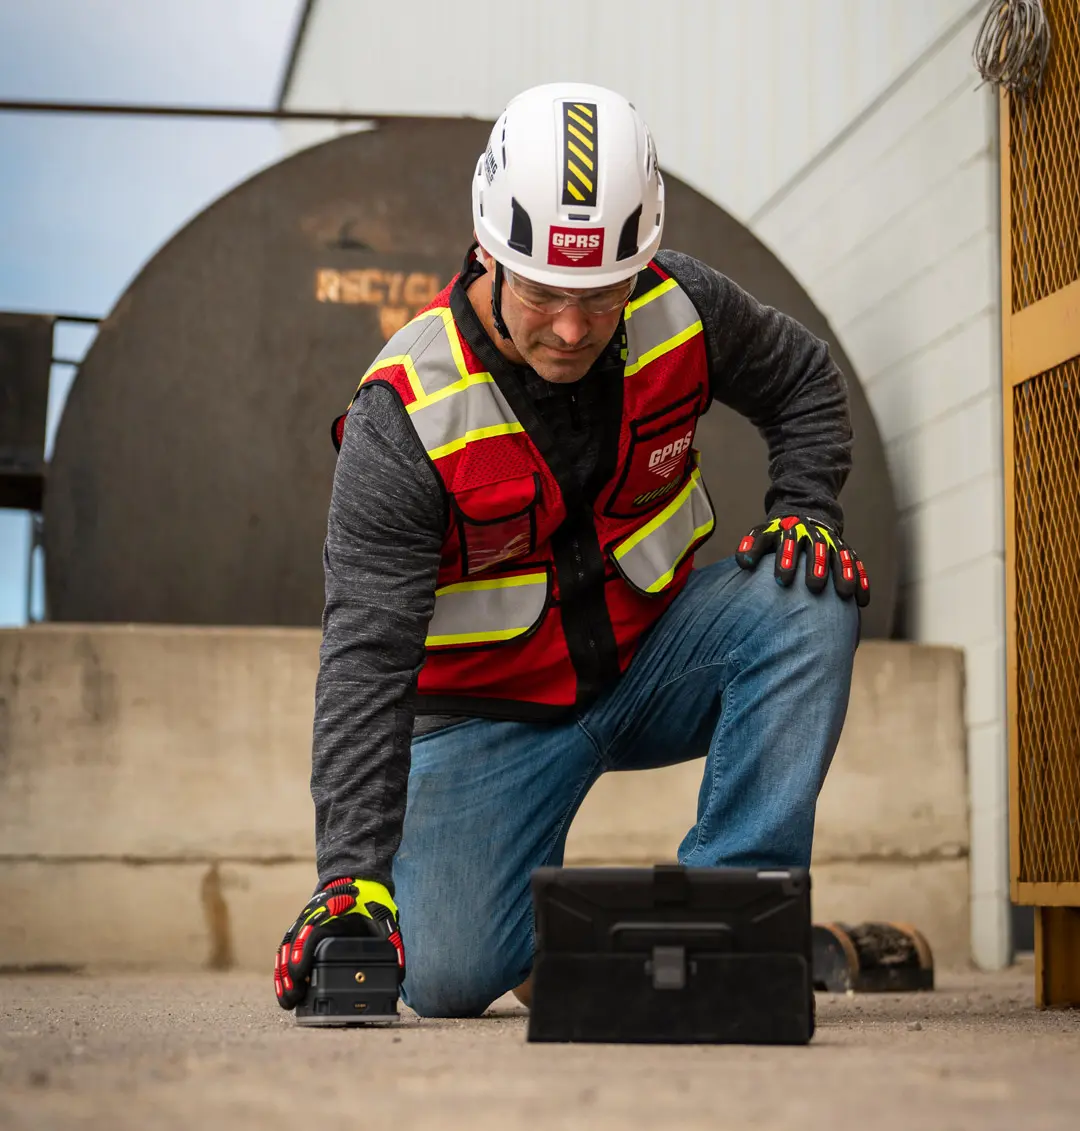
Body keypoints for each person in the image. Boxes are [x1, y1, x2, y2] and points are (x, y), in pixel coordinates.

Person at [274, 82, 869, 1018]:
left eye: (598, 296)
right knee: (443, 971)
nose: (569, 326)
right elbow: (364, 658)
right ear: (489, 249)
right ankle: (551, 925)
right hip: (485, 719)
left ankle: (731, 917)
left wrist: (809, 509)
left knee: (811, 591)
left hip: (654, 659)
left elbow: (805, 379)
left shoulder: (683, 303)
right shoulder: (407, 416)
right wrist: (350, 876)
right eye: (544, 290)